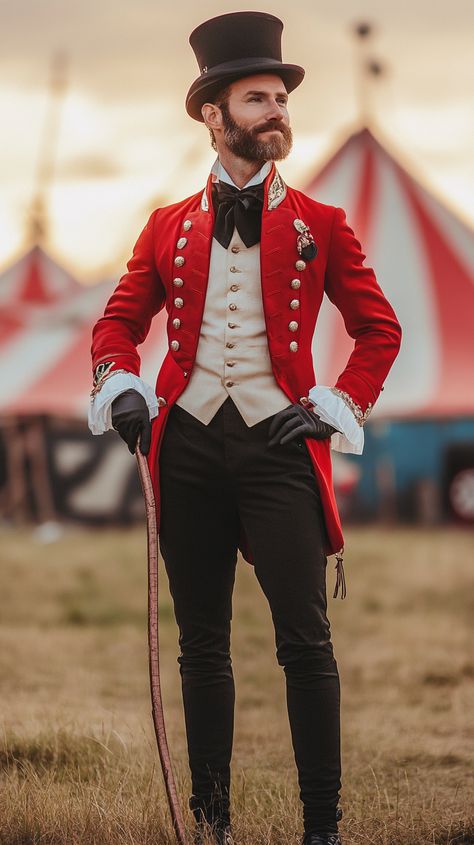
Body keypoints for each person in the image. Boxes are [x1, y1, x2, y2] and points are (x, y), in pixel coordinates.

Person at [88, 11, 402, 845]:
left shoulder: (323, 223)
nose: (277, 112)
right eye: (257, 97)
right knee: (202, 644)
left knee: (305, 640)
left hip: (277, 448)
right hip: (185, 447)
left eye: (281, 97)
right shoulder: (163, 226)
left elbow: (381, 329)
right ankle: (213, 823)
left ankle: (322, 829)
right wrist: (121, 383)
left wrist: (337, 403)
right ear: (213, 115)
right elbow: (116, 323)